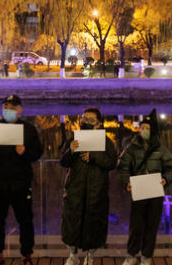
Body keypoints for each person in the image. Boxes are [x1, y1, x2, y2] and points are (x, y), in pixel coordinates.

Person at [0, 95, 43, 265]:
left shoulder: (28, 129)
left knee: (25, 220)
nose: (8, 110)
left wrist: (25, 152)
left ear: (20, 109)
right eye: (6, 107)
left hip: (21, 183)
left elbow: (37, 154)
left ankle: (26, 254)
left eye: (12, 107)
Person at [60, 107, 117, 265]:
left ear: (98, 124)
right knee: (72, 222)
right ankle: (73, 255)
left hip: (96, 191)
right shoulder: (73, 137)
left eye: (90, 120)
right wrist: (70, 151)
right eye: (84, 119)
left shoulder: (106, 141)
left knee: (94, 225)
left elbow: (112, 162)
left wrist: (94, 156)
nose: (85, 122)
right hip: (75, 190)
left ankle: (90, 257)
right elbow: (63, 162)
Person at [119, 109, 172, 265]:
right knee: (136, 225)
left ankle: (146, 255)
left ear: (153, 131)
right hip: (139, 189)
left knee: (152, 224)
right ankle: (131, 255)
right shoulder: (131, 147)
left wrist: (165, 179)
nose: (144, 130)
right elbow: (123, 167)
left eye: (147, 128)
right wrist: (126, 182)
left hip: (155, 190)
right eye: (142, 127)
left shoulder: (161, 149)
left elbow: (171, 168)